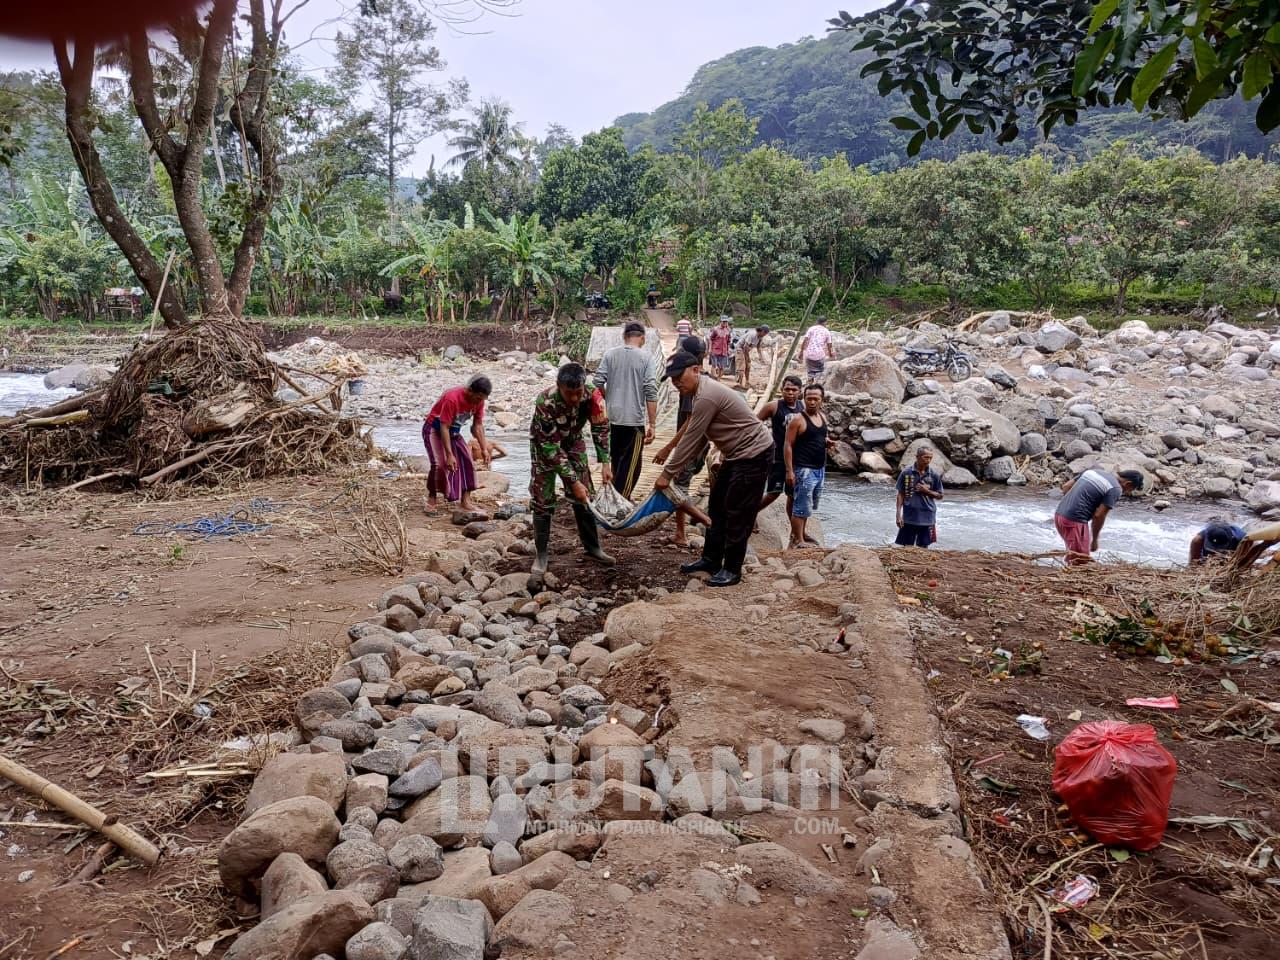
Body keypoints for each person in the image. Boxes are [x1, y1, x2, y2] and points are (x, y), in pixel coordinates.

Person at [656, 351, 774, 587]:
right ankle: (710, 560)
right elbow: (700, 438)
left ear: (696, 370)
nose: (676, 382)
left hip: (754, 455)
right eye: (672, 379)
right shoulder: (699, 393)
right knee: (717, 507)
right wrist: (677, 465)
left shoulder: (707, 396)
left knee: (737, 512)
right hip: (736, 455)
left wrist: (667, 473)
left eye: (679, 376)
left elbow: (692, 438)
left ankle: (731, 569)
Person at [528, 363, 616, 590]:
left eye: (578, 392)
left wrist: (605, 462)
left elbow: (601, 428)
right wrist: (573, 481)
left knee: (585, 495)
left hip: (574, 441)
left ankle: (593, 547)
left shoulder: (594, 395)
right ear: (559, 386)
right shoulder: (545, 402)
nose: (575, 399)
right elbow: (551, 448)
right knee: (542, 499)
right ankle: (541, 555)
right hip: (545, 447)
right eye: (570, 394)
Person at [654, 336, 711, 547]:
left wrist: (669, 447)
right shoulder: (706, 378)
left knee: (678, 487)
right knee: (681, 484)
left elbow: (690, 421)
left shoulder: (687, 384)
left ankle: (697, 527)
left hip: (691, 444)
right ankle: (683, 531)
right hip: (702, 444)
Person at [593, 321, 657, 498]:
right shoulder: (646, 358)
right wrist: (652, 424)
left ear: (624, 336)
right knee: (631, 466)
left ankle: (614, 496)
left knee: (616, 460)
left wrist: (607, 396)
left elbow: (597, 381)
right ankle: (621, 500)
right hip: (633, 420)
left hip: (612, 417)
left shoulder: (610, 354)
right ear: (642, 338)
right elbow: (651, 390)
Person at [423, 375, 493, 517]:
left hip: (454, 432)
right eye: (478, 398)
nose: (479, 401)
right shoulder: (452, 398)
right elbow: (444, 427)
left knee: (468, 462)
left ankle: (465, 501)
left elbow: (477, 426)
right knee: (439, 465)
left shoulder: (479, 401)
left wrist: (484, 448)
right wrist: (449, 455)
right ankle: (432, 499)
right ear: (470, 391)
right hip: (435, 430)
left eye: (482, 399)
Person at [1054, 467, 1145, 564]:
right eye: (1130, 490)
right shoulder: (1115, 489)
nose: (1128, 493)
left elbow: (1066, 486)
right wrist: (1094, 540)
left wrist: (1070, 506)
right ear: (1128, 484)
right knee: (1080, 561)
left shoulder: (1093, 471)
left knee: (1074, 555)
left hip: (1059, 515)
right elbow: (1099, 516)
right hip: (1074, 521)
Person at [784, 383, 834, 548]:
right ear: (804, 399)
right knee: (800, 505)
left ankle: (801, 534)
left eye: (815, 399)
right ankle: (798, 539)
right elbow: (788, 445)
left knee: (808, 505)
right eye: (809, 398)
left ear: (822, 400)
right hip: (803, 469)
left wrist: (827, 442)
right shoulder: (798, 420)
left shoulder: (822, 417)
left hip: (819, 468)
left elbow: (818, 436)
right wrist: (789, 471)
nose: (812, 402)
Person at [757, 375, 804, 517]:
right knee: (773, 492)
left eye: (794, 390)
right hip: (777, 457)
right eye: (787, 389)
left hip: (797, 458)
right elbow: (754, 423)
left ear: (800, 391)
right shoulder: (773, 406)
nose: (790, 393)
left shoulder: (803, 407)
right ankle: (750, 514)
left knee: (792, 495)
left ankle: (794, 528)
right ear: (781, 389)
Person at [895, 446, 944, 547]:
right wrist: (898, 515)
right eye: (926, 457)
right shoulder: (906, 472)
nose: (928, 460)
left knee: (923, 548)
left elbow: (940, 495)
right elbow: (900, 494)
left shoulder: (934, 475)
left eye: (930, 458)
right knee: (907, 547)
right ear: (917, 457)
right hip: (909, 517)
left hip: (927, 517)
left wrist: (926, 491)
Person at [799, 316, 835, 380]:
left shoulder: (811, 329)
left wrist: (801, 352)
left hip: (809, 355)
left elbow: (805, 341)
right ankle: (818, 380)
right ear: (825, 323)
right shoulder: (826, 331)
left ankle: (810, 380)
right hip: (819, 356)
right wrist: (830, 354)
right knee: (820, 372)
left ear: (817, 321)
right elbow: (829, 345)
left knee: (810, 373)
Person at [736, 324, 770, 388]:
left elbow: (758, 347)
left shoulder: (760, 337)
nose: (765, 335)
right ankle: (740, 383)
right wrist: (747, 357)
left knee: (748, 366)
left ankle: (747, 382)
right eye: (765, 333)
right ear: (762, 331)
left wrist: (761, 357)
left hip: (746, 350)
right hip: (740, 349)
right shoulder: (752, 335)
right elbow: (745, 347)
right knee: (742, 366)